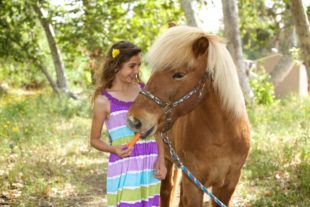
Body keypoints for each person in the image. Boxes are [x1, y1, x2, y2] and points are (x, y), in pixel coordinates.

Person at [90, 41, 167, 207]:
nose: (136, 71)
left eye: (138, 65)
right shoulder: (103, 100)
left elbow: (157, 130)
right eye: (131, 66)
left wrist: (161, 159)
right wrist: (113, 149)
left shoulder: (144, 91)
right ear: (116, 66)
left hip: (149, 162)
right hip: (125, 166)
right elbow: (94, 139)